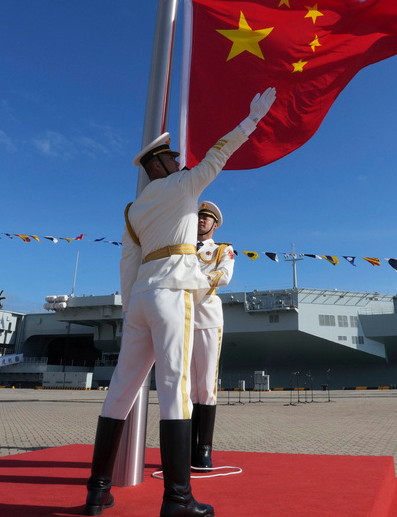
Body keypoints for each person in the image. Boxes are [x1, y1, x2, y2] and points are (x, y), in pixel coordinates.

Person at [83, 88, 276, 517]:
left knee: (119, 393)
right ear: (158, 164)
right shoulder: (184, 186)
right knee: (176, 390)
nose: (178, 161)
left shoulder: (134, 209)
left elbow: (126, 262)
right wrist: (251, 119)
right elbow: (219, 154)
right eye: (170, 157)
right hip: (174, 293)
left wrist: (132, 307)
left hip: (139, 299)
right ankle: (178, 498)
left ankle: (97, 491)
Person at [190, 200, 232, 471]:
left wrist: (190, 282)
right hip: (179, 317)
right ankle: (183, 446)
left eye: (206, 218)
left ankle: (203, 449)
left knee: (206, 384)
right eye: (199, 217)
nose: (201, 221)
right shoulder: (180, 247)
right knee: (185, 387)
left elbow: (224, 276)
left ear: (214, 224)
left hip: (206, 316)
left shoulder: (222, 249)